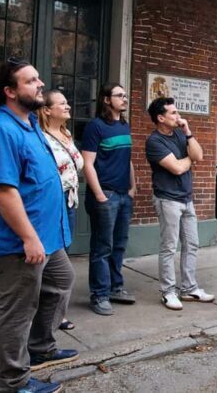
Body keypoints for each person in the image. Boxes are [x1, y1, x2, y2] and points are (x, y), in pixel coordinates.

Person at [0, 58, 77, 392]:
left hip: (47, 235)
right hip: (19, 241)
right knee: (17, 310)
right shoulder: (0, 131)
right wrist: (28, 238)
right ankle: (13, 382)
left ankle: (41, 348)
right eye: (30, 81)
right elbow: (3, 191)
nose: (40, 84)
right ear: (10, 91)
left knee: (61, 280)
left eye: (38, 78)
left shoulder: (30, 123)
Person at [146, 97, 215, 310]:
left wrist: (188, 133)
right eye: (173, 113)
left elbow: (199, 156)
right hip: (168, 200)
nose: (179, 116)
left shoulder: (179, 134)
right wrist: (188, 161)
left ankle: (189, 288)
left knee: (191, 244)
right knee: (169, 247)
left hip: (186, 198)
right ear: (160, 118)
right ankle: (168, 292)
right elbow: (176, 168)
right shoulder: (154, 141)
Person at [82, 83, 137, 316]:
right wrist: (99, 195)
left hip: (124, 195)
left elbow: (127, 159)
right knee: (102, 247)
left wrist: (133, 186)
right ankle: (100, 294)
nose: (124, 99)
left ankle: (116, 287)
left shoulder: (124, 125)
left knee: (119, 245)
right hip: (106, 194)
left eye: (125, 95)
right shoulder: (96, 127)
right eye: (119, 95)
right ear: (106, 100)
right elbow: (88, 164)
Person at [38, 89, 83, 331]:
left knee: (62, 255)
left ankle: (56, 311)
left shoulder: (66, 134)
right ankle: (47, 313)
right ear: (46, 110)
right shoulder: (41, 137)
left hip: (70, 201)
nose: (68, 106)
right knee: (53, 260)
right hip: (53, 201)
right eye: (62, 103)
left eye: (67, 102)